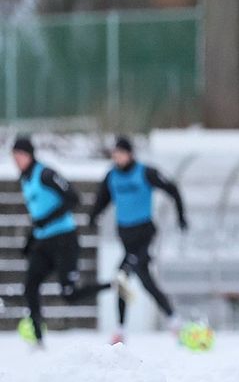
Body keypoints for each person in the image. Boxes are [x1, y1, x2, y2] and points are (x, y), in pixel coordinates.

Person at [13, 136, 112, 348]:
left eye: (20, 155)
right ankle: (38, 339)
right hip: (43, 243)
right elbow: (37, 214)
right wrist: (30, 239)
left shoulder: (46, 174)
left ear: (30, 154)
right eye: (14, 156)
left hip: (64, 240)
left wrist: (46, 220)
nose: (17, 160)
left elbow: (74, 198)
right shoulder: (25, 179)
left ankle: (111, 285)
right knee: (30, 286)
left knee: (69, 294)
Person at [89, 136, 188, 345]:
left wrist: (181, 217)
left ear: (130, 154)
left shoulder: (146, 172)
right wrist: (92, 216)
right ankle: (173, 319)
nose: (117, 157)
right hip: (126, 236)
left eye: (121, 153)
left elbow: (173, 189)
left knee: (122, 277)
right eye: (115, 153)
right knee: (145, 280)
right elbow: (102, 200)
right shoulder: (112, 176)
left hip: (145, 234)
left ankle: (121, 330)